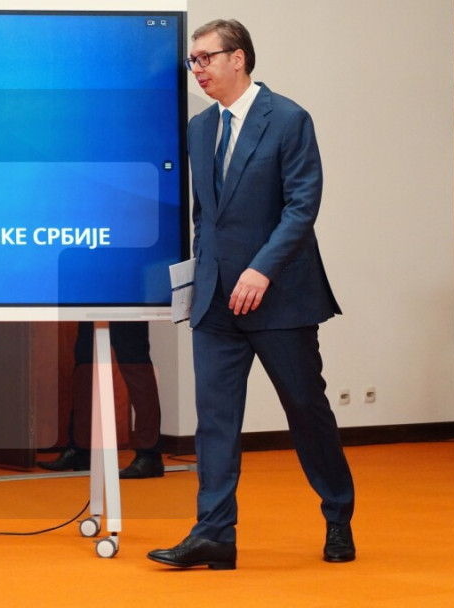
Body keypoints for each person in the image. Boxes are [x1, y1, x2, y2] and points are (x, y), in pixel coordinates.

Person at [147, 19, 355, 570]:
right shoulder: (199, 129)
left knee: (306, 410)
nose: (197, 68)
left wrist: (261, 269)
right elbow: (206, 216)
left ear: (238, 58)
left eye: (205, 58)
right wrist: (198, 278)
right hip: (216, 301)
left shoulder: (288, 118)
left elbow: (302, 207)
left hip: (280, 299)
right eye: (192, 60)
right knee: (215, 420)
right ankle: (214, 533)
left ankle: (338, 514)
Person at [38, 321, 164, 479]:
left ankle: (149, 456)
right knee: (85, 364)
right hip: (90, 305)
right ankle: (81, 450)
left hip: (128, 306)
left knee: (134, 364)